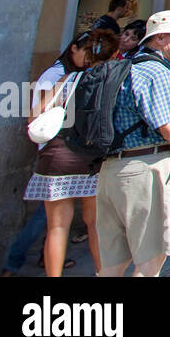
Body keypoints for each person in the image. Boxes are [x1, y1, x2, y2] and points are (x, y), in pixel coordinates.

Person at [96, 10, 170, 277]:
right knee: (150, 260)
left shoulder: (127, 65)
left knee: (112, 266)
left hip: (112, 171)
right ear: (160, 38)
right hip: (146, 170)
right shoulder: (156, 72)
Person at [25, 29, 119, 275]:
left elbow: (35, 116)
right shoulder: (112, 82)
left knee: (57, 227)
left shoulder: (65, 80)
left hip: (58, 156)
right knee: (96, 225)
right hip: (93, 160)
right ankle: (102, 273)